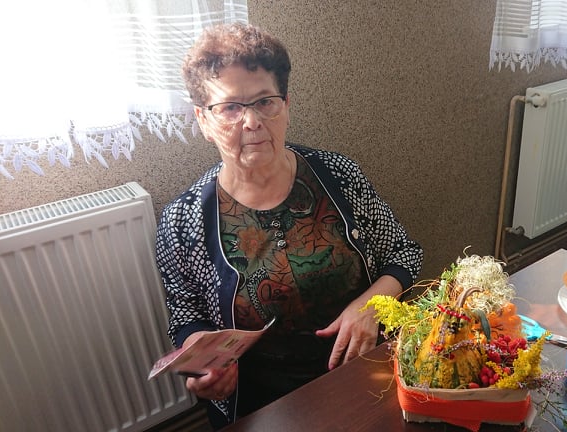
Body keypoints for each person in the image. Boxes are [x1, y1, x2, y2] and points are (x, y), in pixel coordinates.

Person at [154, 22, 423, 429]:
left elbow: (404, 252)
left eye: (265, 102)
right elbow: (185, 315)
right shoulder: (182, 221)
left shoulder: (338, 175)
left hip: (365, 372)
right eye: (230, 108)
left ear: (286, 105)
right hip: (265, 403)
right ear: (203, 121)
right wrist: (205, 365)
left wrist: (370, 307)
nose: (251, 121)